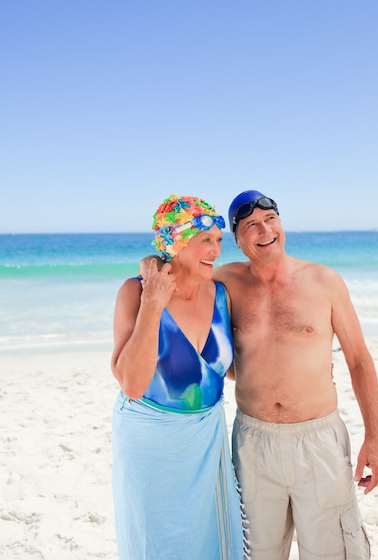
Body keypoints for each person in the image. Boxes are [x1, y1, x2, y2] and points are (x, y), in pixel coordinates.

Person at [214, 189, 378, 560]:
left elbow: (358, 360)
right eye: (251, 226)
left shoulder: (323, 280)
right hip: (253, 442)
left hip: (318, 439)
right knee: (257, 553)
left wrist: (373, 439)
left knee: (333, 552)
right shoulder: (224, 282)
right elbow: (186, 305)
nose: (265, 230)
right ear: (238, 239)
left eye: (270, 220)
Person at [111, 194, 247, 560]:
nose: (216, 251)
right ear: (175, 241)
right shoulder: (135, 293)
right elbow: (132, 384)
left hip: (207, 442)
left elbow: (232, 371)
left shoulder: (220, 294)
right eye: (205, 240)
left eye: (219, 241)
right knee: (157, 541)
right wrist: (154, 304)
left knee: (213, 541)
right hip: (151, 445)